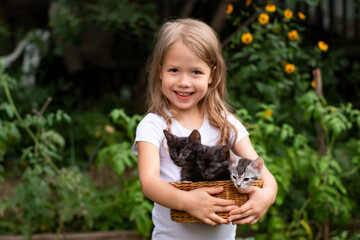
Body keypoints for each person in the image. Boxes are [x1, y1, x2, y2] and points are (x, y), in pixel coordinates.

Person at [132, 18, 277, 240]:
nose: (183, 82)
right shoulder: (154, 125)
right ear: (159, 71)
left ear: (213, 75)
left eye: (196, 72)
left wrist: (266, 196)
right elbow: (149, 183)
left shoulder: (226, 123)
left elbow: (266, 176)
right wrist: (188, 201)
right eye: (173, 70)